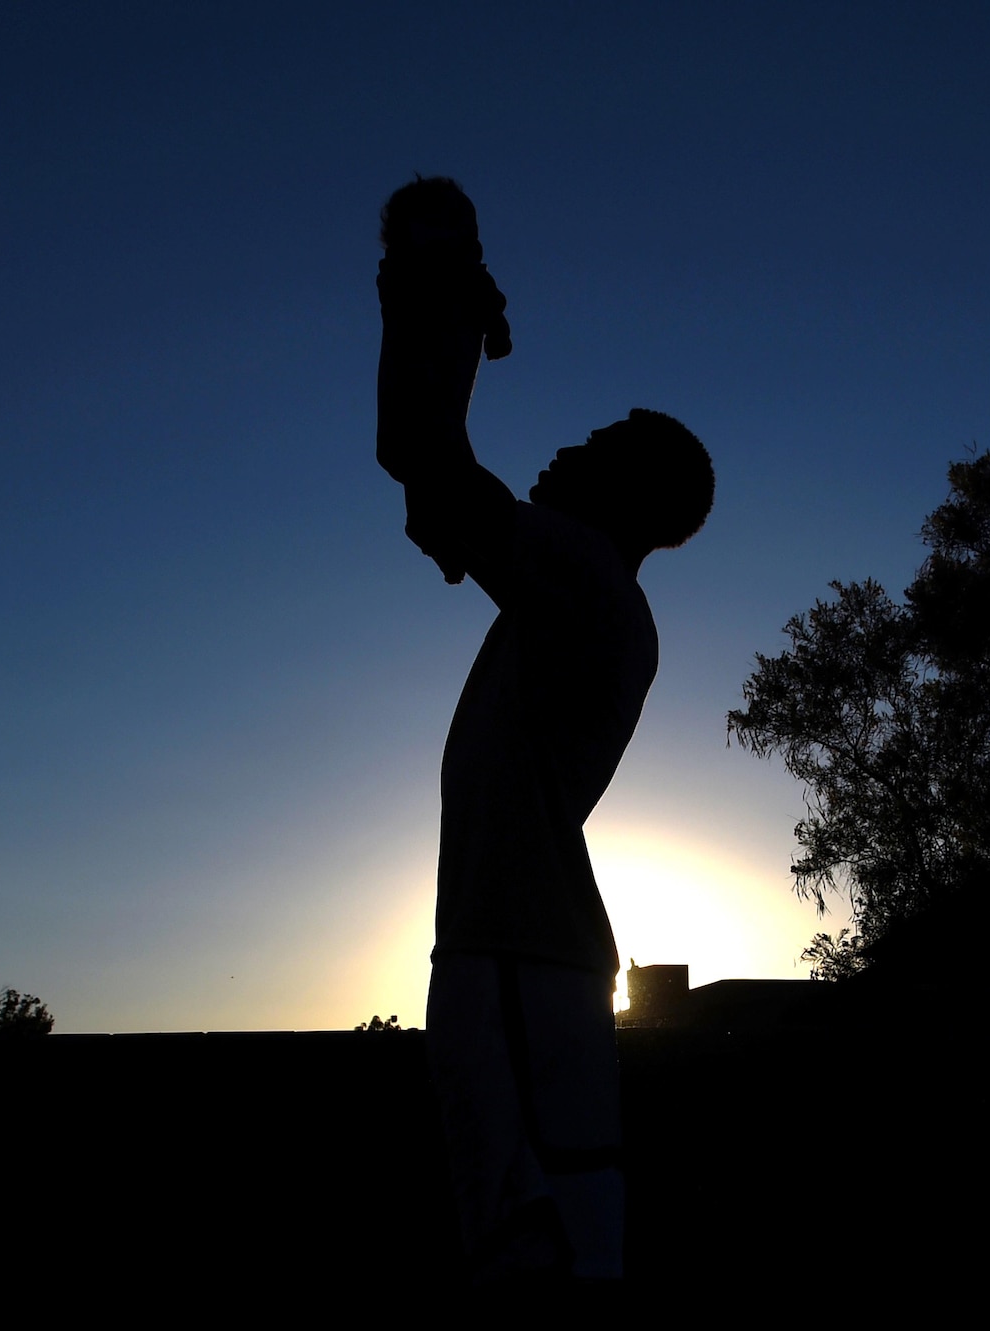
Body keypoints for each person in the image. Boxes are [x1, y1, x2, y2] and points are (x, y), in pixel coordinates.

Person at [374, 177, 715, 1286]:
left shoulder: (584, 577)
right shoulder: (576, 596)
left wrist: (435, 288)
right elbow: (430, 483)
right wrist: (441, 308)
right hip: (521, 949)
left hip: (517, 952)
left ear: (632, 491)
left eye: (597, 444)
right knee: (550, 1236)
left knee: (536, 1246)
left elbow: (425, 461)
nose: (566, 448)